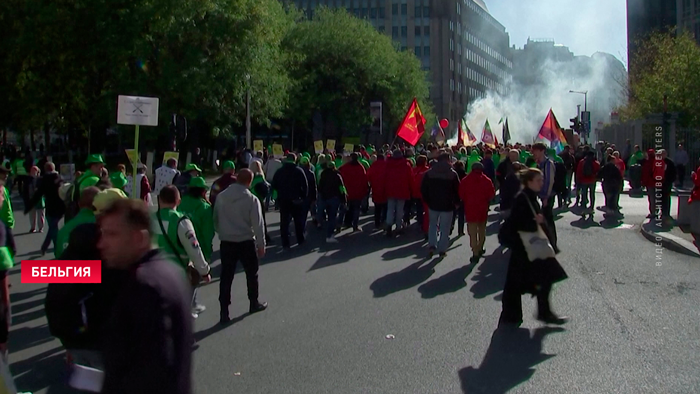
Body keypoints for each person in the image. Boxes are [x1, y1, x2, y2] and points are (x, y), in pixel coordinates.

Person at [97, 199, 194, 394]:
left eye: (112, 234)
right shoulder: (172, 271)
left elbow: (151, 372)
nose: (101, 244)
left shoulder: (143, 285)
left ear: (139, 239)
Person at [499, 168, 568, 327]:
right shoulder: (522, 199)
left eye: (542, 179)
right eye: (538, 180)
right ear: (529, 182)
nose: (541, 182)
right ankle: (517, 315)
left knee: (540, 279)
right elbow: (518, 223)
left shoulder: (530, 197)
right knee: (524, 282)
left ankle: (538, 313)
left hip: (530, 247)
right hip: (525, 247)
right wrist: (535, 220)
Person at [213, 169, 268, 324]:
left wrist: (222, 231)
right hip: (245, 240)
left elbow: (215, 218)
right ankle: (253, 302)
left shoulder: (222, 196)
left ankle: (224, 311)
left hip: (227, 241)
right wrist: (261, 244)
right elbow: (258, 225)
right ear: (250, 181)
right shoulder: (251, 199)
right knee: (251, 273)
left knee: (226, 277)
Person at [153, 185, 211, 320]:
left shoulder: (150, 219)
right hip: (176, 274)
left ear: (159, 199)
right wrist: (204, 271)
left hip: (154, 272)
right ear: (178, 202)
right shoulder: (181, 221)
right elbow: (194, 249)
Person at [421, 153, 460, 257]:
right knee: (445, 228)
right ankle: (442, 249)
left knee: (433, 225)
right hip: (448, 205)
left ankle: (432, 245)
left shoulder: (429, 173)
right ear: (448, 160)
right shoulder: (452, 174)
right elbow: (457, 190)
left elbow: (423, 189)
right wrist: (456, 202)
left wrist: (428, 200)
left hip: (433, 204)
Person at [459, 162, 496, 262]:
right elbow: (492, 194)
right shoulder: (487, 180)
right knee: (482, 230)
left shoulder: (465, 180)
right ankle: (480, 247)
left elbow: (461, 194)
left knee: (472, 232)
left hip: (470, 208)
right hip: (482, 208)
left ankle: (475, 251)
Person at [26, 162, 65, 255]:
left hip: (49, 206)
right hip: (60, 207)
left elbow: (39, 191)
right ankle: (55, 249)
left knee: (53, 228)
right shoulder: (60, 178)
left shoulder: (43, 179)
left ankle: (50, 248)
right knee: (53, 228)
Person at [271, 153, 308, 248]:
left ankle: (285, 243)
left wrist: (276, 198)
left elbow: (274, 186)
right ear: (295, 160)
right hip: (296, 199)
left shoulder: (279, 171)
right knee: (298, 221)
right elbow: (305, 186)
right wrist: (303, 197)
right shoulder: (299, 171)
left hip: (283, 200)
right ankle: (300, 239)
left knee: (284, 222)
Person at [532, 143, 557, 245]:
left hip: (548, 196)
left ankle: (552, 241)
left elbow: (549, 181)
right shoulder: (539, 164)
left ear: (542, 151)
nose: (534, 153)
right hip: (541, 195)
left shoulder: (548, 164)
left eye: (536, 151)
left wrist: (546, 196)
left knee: (548, 219)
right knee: (543, 218)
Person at [383, 150, 413, 237]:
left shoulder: (388, 164)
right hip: (402, 189)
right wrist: (411, 189)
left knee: (390, 209)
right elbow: (410, 178)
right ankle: (398, 227)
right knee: (400, 210)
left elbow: (384, 177)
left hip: (390, 189)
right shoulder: (406, 165)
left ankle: (389, 225)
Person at [317, 162, 347, 243]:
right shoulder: (337, 176)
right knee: (332, 217)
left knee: (326, 214)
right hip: (334, 198)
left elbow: (319, 188)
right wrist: (344, 199)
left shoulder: (323, 175)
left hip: (324, 198)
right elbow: (342, 188)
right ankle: (329, 235)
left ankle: (322, 226)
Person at [339, 153, 369, 232]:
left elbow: (339, 175)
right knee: (356, 210)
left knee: (344, 209)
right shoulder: (360, 168)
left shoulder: (345, 167)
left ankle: (340, 225)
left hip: (347, 192)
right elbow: (364, 180)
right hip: (357, 193)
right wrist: (365, 191)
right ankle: (355, 225)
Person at [367, 153, 388, 229]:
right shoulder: (387, 165)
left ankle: (377, 222)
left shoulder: (373, 165)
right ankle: (384, 221)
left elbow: (368, 175)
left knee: (377, 208)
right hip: (385, 189)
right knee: (385, 207)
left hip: (376, 188)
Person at [25, 166, 45, 232]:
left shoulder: (41, 179)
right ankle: (32, 227)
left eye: (35, 170)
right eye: (32, 170)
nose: (34, 172)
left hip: (39, 199)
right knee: (32, 215)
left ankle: (41, 228)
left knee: (41, 215)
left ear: (38, 172)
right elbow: (24, 190)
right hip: (31, 199)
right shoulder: (27, 180)